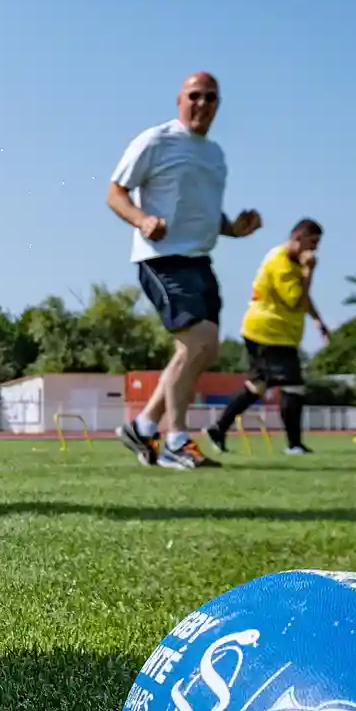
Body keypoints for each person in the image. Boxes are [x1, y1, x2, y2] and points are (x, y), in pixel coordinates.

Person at [105, 72, 262, 471]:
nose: (202, 104)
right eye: (195, 96)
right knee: (200, 342)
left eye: (211, 98)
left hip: (200, 260)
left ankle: (143, 426)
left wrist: (233, 228)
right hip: (162, 257)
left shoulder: (215, 155)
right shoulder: (155, 141)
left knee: (196, 351)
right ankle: (176, 439)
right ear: (179, 100)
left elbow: (205, 211)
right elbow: (114, 193)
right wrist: (141, 220)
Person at [207, 218, 329, 457]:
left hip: (269, 332)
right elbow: (295, 300)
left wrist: (316, 319)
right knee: (294, 387)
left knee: (257, 386)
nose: (314, 249)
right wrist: (309, 271)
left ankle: (218, 428)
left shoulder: (292, 262)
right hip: (270, 334)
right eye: (312, 242)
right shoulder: (281, 263)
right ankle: (294, 444)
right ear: (298, 237)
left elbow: (303, 296)